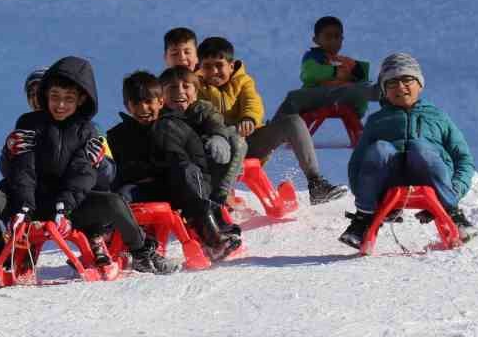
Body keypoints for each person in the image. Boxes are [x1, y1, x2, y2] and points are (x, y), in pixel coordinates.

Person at [0, 56, 177, 285]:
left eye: (68, 99)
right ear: (45, 95)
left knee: (115, 203)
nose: (60, 105)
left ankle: (141, 251)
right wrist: (11, 162)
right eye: (55, 97)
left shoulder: (87, 131)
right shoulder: (28, 122)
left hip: (70, 205)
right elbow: (20, 170)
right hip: (28, 200)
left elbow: (83, 176)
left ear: (82, 99)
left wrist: (64, 207)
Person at [340, 53, 476, 248]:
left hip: (431, 176)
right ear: (384, 91)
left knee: (420, 146)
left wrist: (454, 191)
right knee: (379, 149)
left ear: (420, 84)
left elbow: (463, 157)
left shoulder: (438, 117)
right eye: (392, 83)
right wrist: (362, 196)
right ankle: (364, 220)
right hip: (388, 179)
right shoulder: (376, 121)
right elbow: (357, 162)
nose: (400, 87)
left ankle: (453, 215)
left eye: (407, 80)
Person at [196, 37, 347, 205]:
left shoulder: (243, 81)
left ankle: (316, 183)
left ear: (231, 66)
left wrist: (249, 118)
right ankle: (215, 199)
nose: (214, 71)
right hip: (217, 150)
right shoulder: (195, 87)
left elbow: (252, 101)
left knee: (293, 122)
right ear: (200, 68)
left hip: (250, 143)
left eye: (219, 65)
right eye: (207, 66)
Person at [107, 70, 239, 256]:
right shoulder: (118, 135)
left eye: (148, 102)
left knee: (186, 171)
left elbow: (190, 163)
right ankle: (119, 245)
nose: (143, 108)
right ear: (127, 106)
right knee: (121, 194)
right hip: (147, 188)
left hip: (183, 188)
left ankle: (210, 234)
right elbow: (123, 170)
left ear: (160, 101)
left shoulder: (173, 126)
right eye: (136, 103)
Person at [159, 65, 245, 212]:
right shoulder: (161, 117)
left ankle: (221, 195)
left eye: (186, 87)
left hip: (208, 165)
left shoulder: (203, 109)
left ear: (196, 92)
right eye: (172, 87)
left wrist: (218, 137)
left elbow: (215, 121)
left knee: (237, 140)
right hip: (180, 173)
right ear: (161, 95)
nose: (180, 91)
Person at [275, 15, 378, 121]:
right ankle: (276, 127)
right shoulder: (314, 56)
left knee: (356, 89)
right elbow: (309, 74)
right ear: (316, 40)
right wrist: (334, 72)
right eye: (328, 37)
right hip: (316, 95)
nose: (333, 41)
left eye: (337, 37)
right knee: (293, 97)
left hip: (340, 96)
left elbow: (362, 78)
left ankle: (384, 91)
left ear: (342, 39)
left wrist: (360, 109)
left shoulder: (347, 62)